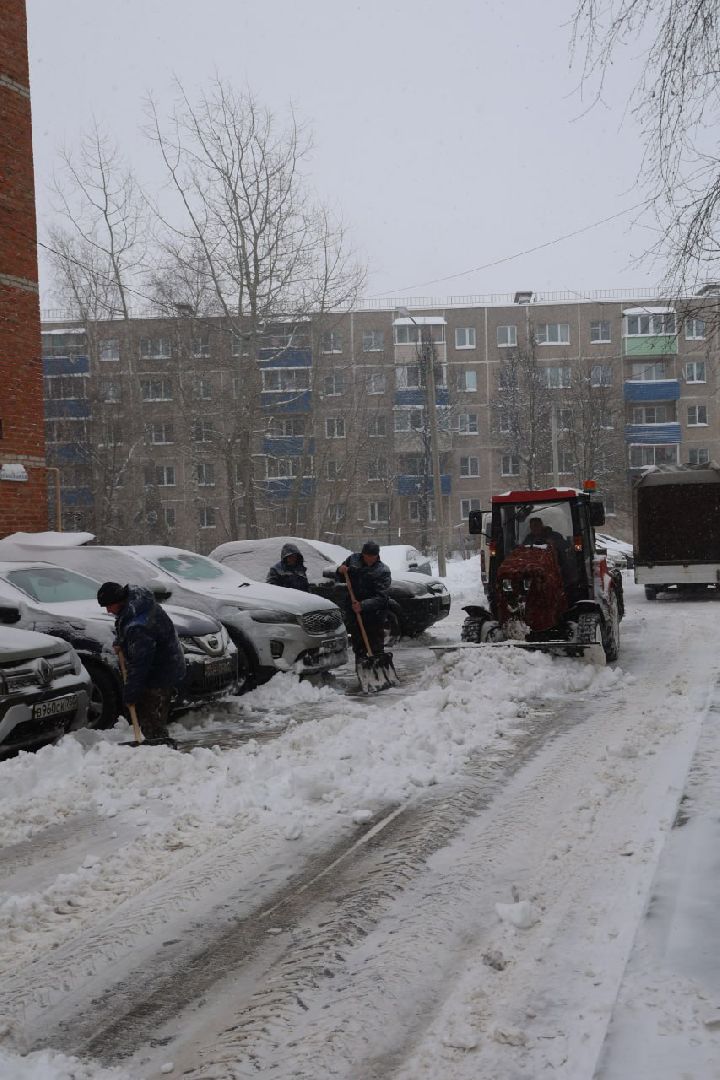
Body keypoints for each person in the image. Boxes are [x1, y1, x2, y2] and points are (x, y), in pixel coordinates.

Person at [97, 581, 186, 743]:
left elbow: (140, 664)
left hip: (161, 672)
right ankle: (158, 745)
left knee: (150, 717)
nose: (108, 611)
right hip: (165, 663)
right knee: (150, 714)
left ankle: (162, 751)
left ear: (119, 600)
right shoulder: (135, 604)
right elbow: (126, 627)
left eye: (109, 606)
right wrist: (122, 641)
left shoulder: (139, 625)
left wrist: (130, 692)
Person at [336, 540, 391, 659]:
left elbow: (382, 597)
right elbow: (341, 576)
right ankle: (362, 666)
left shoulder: (383, 571)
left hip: (375, 613)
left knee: (375, 643)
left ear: (377, 556)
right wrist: (340, 570)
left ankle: (378, 665)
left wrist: (363, 605)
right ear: (363, 554)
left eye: (373, 557)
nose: (370, 559)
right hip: (354, 610)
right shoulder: (353, 560)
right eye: (367, 556)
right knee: (359, 643)